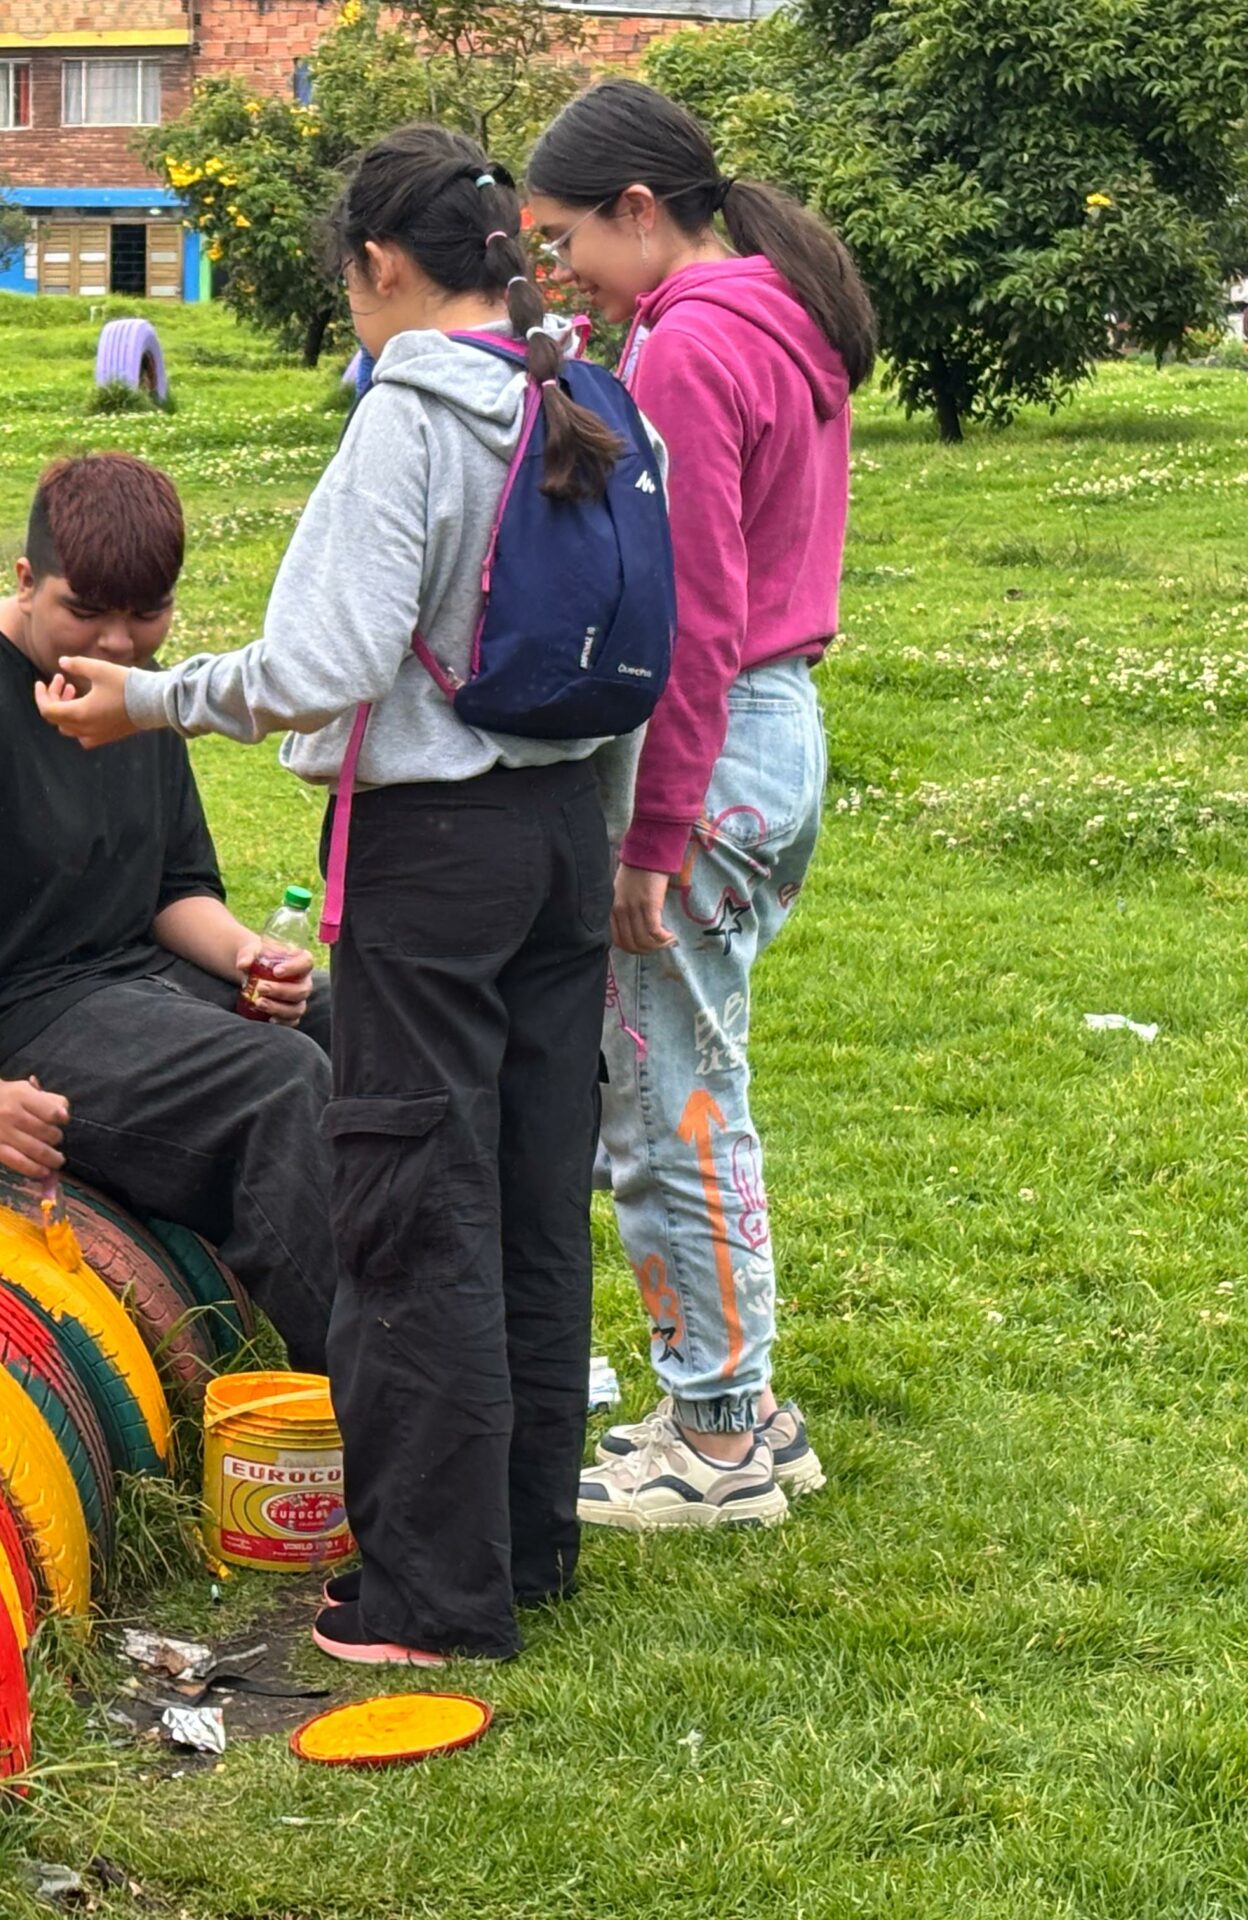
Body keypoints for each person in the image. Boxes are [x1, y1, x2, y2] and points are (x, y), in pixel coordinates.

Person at [38, 127, 653, 1665]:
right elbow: (637, 662)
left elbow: (324, 665)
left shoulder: (411, 419)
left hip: (437, 857)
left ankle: (434, 1599)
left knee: (408, 1205)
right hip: (564, 832)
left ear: (379, 268)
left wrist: (152, 700)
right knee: (525, 1195)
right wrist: (621, 837)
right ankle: (525, 1550)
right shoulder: (570, 389)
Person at [525, 78, 873, 1530]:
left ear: (642, 211)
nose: (558, 275)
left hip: (715, 746)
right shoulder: (781, 319)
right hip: (781, 737)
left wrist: (648, 841)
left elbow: (697, 622)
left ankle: (717, 1436)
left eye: (565, 242)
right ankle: (746, 1406)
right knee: (697, 1080)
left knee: (669, 1098)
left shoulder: (686, 352)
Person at [0, 452, 338, 1371]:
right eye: (85, 611)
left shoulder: (134, 688)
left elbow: (176, 891)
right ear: (24, 579)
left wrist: (248, 953)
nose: (121, 643)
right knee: (277, 1084)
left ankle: (433, 1317)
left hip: (107, 982)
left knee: (348, 1010)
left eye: (146, 615)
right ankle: (377, 1405)